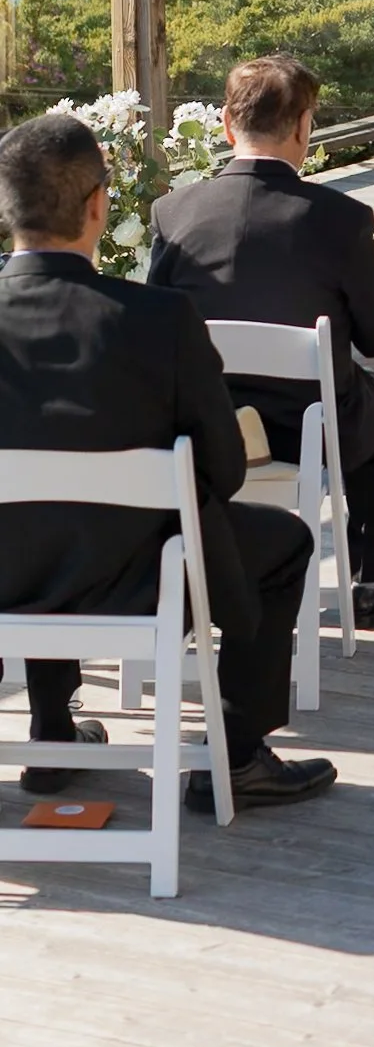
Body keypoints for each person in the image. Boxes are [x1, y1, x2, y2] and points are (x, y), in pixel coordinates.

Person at [0, 112, 335, 812]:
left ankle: (55, 731)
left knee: (37, 527)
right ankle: (236, 756)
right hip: (136, 586)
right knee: (284, 543)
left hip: (5, 578)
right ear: (98, 204)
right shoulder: (158, 320)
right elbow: (223, 470)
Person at [149, 54, 374, 629]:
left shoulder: (173, 211)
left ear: (225, 124)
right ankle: (370, 579)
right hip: (308, 427)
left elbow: (156, 329)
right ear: (302, 127)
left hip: (207, 429)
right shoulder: (340, 218)